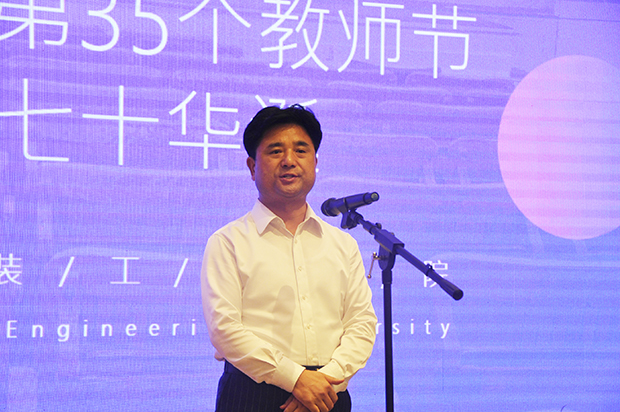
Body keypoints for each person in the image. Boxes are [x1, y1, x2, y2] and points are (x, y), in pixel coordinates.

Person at [201, 104, 377, 412]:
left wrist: (325, 381)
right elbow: (224, 329)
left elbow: (361, 323)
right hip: (252, 393)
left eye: (301, 150)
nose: (289, 161)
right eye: (275, 151)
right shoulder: (228, 242)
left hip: (329, 393)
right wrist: (295, 379)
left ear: (315, 162)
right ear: (252, 166)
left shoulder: (342, 244)